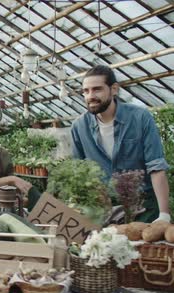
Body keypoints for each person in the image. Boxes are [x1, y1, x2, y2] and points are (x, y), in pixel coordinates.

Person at [71, 65, 170, 223]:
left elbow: (156, 166)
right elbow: (79, 172)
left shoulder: (140, 118)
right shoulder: (79, 127)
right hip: (105, 208)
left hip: (143, 205)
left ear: (114, 89)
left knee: (145, 247)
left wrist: (164, 215)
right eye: (86, 91)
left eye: (97, 89)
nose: (90, 96)